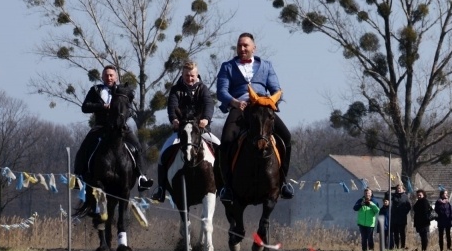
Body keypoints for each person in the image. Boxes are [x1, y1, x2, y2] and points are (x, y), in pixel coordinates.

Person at [216, 32, 293, 202]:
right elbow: (221, 91)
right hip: (240, 107)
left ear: (254, 48)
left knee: (286, 137)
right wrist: (234, 102)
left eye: (245, 45)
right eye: (239, 46)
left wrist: (272, 99)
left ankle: (283, 182)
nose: (242, 49)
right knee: (226, 140)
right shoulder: (227, 66)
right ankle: (227, 186)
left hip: (262, 107)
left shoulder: (266, 65)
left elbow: (275, 88)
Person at [74, 65, 153, 191]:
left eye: (111, 75)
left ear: (116, 77)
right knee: (84, 147)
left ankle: (141, 178)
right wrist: (102, 106)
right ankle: (78, 177)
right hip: (101, 126)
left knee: (137, 146)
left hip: (120, 127)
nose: (109, 77)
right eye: (106, 75)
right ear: (102, 77)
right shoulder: (95, 90)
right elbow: (85, 107)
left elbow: (129, 109)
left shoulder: (123, 90)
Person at [152, 61, 218, 202]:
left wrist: (206, 119)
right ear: (182, 74)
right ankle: (161, 189)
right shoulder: (176, 89)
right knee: (163, 153)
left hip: (201, 130)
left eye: (192, 75)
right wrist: (174, 119)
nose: (190, 78)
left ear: (196, 74)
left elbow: (208, 104)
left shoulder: (203, 89)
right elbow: (172, 106)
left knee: (220, 147)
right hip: (181, 131)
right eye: (187, 75)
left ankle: (224, 186)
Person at [389, 183, 411, 249]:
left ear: (403, 189)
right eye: (397, 188)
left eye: (399, 188)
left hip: (402, 218)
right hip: (395, 217)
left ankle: (402, 246)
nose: (398, 190)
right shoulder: (394, 196)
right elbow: (387, 196)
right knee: (395, 233)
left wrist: (404, 212)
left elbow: (409, 206)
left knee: (402, 233)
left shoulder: (405, 197)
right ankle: (396, 246)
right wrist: (390, 189)